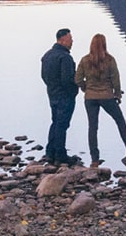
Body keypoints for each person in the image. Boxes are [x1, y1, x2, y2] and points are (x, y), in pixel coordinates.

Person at [76, 33, 126, 165]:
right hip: (107, 96)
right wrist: (117, 94)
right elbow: (116, 79)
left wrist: (85, 88)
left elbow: (77, 79)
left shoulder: (84, 60)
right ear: (104, 45)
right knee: (120, 120)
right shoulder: (110, 60)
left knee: (92, 128)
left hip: (90, 98)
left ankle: (94, 159)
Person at [40, 28, 80, 165]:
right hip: (64, 95)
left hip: (52, 93)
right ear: (62, 40)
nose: (72, 42)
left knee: (55, 122)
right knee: (62, 124)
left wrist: (51, 87)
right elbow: (67, 79)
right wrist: (74, 91)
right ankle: (60, 155)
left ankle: (50, 152)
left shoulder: (47, 55)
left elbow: (43, 76)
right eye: (70, 39)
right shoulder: (65, 57)